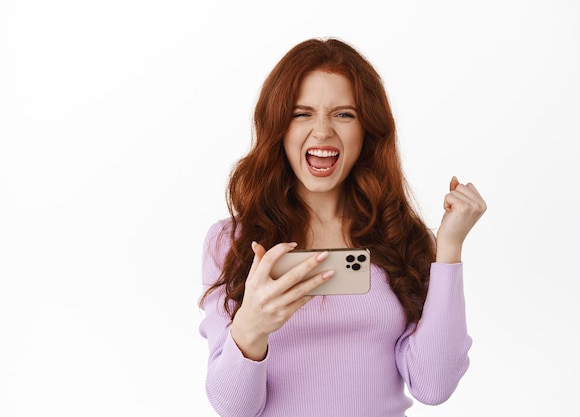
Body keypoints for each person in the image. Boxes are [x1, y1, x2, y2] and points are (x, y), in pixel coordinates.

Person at [198, 37, 486, 417]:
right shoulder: (232, 243)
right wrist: (252, 326)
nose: (322, 132)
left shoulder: (405, 239)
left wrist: (448, 250)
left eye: (343, 114)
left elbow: (433, 386)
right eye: (301, 114)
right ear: (278, 128)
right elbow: (234, 407)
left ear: (367, 129)